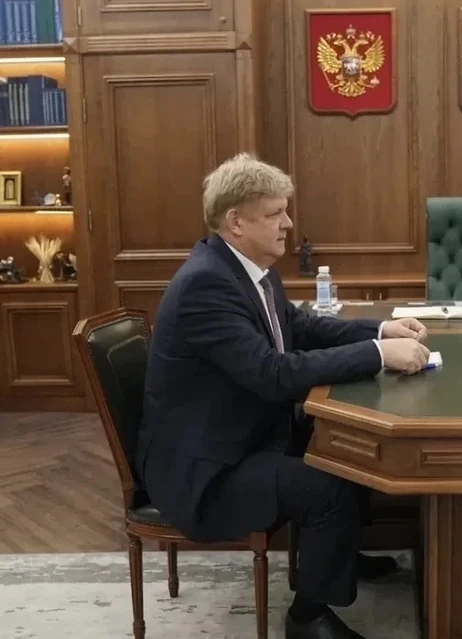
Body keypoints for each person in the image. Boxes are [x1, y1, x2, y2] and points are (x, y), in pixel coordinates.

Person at [135, 152, 432, 639]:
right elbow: (270, 374)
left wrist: (380, 329)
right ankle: (307, 619)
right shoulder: (205, 285)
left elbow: (300, 327)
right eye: (275, 213)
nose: (288, 224)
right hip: (206, 471)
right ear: (236, 222)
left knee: (349, 446)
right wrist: (379, 354)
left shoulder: (250, 268)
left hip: (244, 436)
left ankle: (335, 556)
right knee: (329, 488)